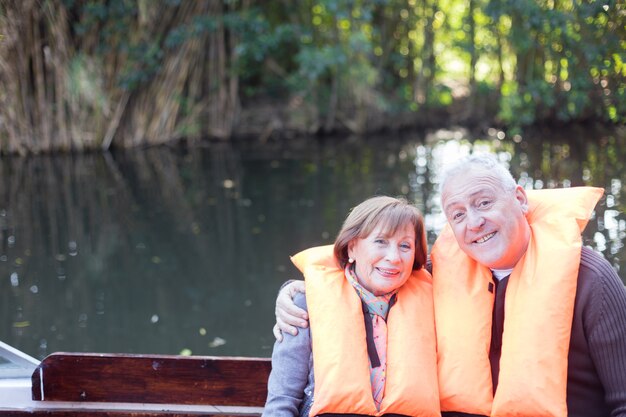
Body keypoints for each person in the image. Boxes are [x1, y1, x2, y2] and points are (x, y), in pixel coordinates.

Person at [274, 154, 626, 417]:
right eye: (457, 214)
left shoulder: (591, 279)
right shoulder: (434, 272)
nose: (474, 222)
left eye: (484, 203)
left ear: (520, 199)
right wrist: (291, 292)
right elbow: (364, 275)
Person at [263, 196, 440, 417]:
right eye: (381, 241)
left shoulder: (435, 301)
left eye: (405, 245)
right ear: (352, 248)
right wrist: (289, 289)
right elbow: (282, 401)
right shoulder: (305, 302)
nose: (394, 257)